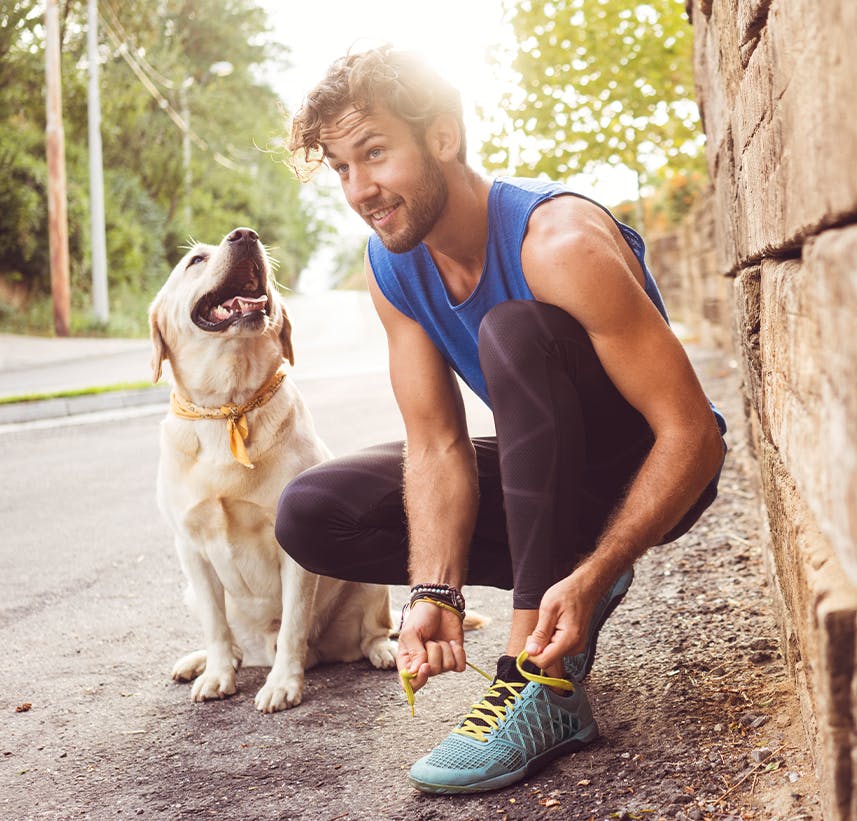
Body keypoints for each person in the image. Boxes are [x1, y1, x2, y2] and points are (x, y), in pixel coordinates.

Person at [276, 44, 727, 794]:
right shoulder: (392, 266)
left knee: (512, 332)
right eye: (341, 168)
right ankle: (557, 584)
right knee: (313, 512)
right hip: (545, 472)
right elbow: (437, 444)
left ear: (443, 136)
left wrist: (600, 567)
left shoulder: (558, 240)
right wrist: (434, 592)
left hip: (648, 469)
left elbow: (695, 436)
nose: (360, 188)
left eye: (375, 153)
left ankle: (536, 680)